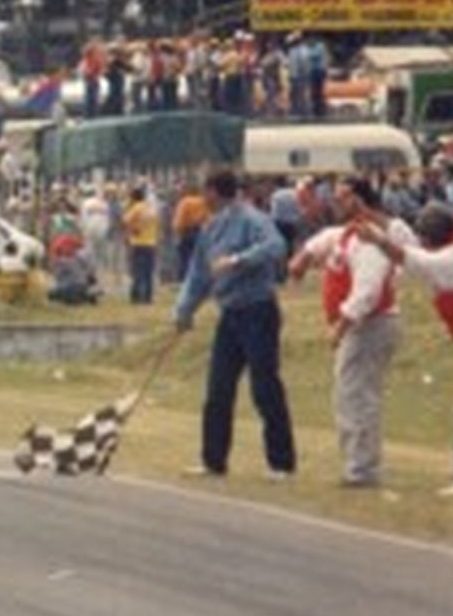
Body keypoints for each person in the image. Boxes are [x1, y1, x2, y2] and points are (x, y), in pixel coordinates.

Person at [359, 202, 453, 495]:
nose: (420, 240)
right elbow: (413, 247)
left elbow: (412, 257)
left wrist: (380, 240)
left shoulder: (449, 261)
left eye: (425, 236)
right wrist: (378, 219)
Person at [174, 170, 296, 478]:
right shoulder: (210, 228)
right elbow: (199, 276)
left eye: (206, 191)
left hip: (258, 309)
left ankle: (281, 462)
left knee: (264, 386)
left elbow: (275, 246)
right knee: (218, 389)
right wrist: (184, 311)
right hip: (229, 313)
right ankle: (213, 460)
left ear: (216, 192)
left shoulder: (252, 218)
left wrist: (239, 260)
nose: (203, 198)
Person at [290, 177, 399, 488]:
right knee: (349, 393)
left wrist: (343, 323)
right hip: (361, 326)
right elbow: (326, 238)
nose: (336, 202)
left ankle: (362, 468)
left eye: (344, 197)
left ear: (361, 200)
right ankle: (357, 463)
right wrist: (304, 256)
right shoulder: (348, 233)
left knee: (357, 395)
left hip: (370, 324)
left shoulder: (370, 238)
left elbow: (368, 290)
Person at [122, 184, 158, 304]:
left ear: (134, 197)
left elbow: (125, 221)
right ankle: (148, 297)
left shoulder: (136, 208)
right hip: (151, 243)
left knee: (137, 271)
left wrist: (132, 229)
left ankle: (136, 296)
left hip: (138, 243)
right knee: (148, 272)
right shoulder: (151, 208)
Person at [171, 179, 210, 283]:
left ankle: (185, 280)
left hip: (187, 232)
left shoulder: (185, 202)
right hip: (201, 231)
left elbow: (179, 220)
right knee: (199, 258)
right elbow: (208, 217)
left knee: (185, 258)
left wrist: (178, 232)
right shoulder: (204, 201)